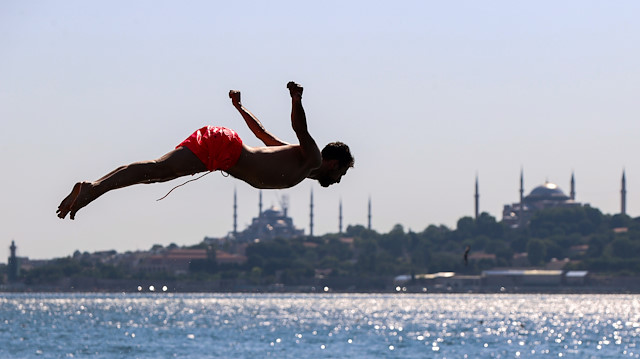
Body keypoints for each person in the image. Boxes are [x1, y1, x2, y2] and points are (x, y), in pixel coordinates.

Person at [57, 81, 354, 220]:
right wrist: (296, 99)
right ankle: (94, 189)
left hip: (225, 150)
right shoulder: (311, 157)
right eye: (342, 172)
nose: (340, 179)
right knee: (158, 171)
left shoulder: (298, 162)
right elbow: (300, 129)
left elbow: (261, 134)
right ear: (333, 162)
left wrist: (239, 108)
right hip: (225, 150)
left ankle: (92, 187)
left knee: (157, 173)